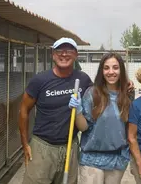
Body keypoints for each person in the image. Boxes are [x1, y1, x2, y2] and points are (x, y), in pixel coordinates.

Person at [19, 37, 92, 184]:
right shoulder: (39, 80)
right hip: (42, 147)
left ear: (76, 54)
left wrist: (125, 85)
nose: (64, 54)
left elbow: (101, 94)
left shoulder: (83, 79)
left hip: (70, 147)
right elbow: (23, 110)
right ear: (53, 54)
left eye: (69, 50)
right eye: (59, 50)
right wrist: (25, 144)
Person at [68, 52, 134, 184]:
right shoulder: (92, 93)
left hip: (117, 158)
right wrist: (78, 111)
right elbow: (83, 127)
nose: (111, 72)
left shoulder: (127, 94)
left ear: (121, 70)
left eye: (115, 67)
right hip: (91, 158)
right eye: (106, 68)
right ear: (101, 71)